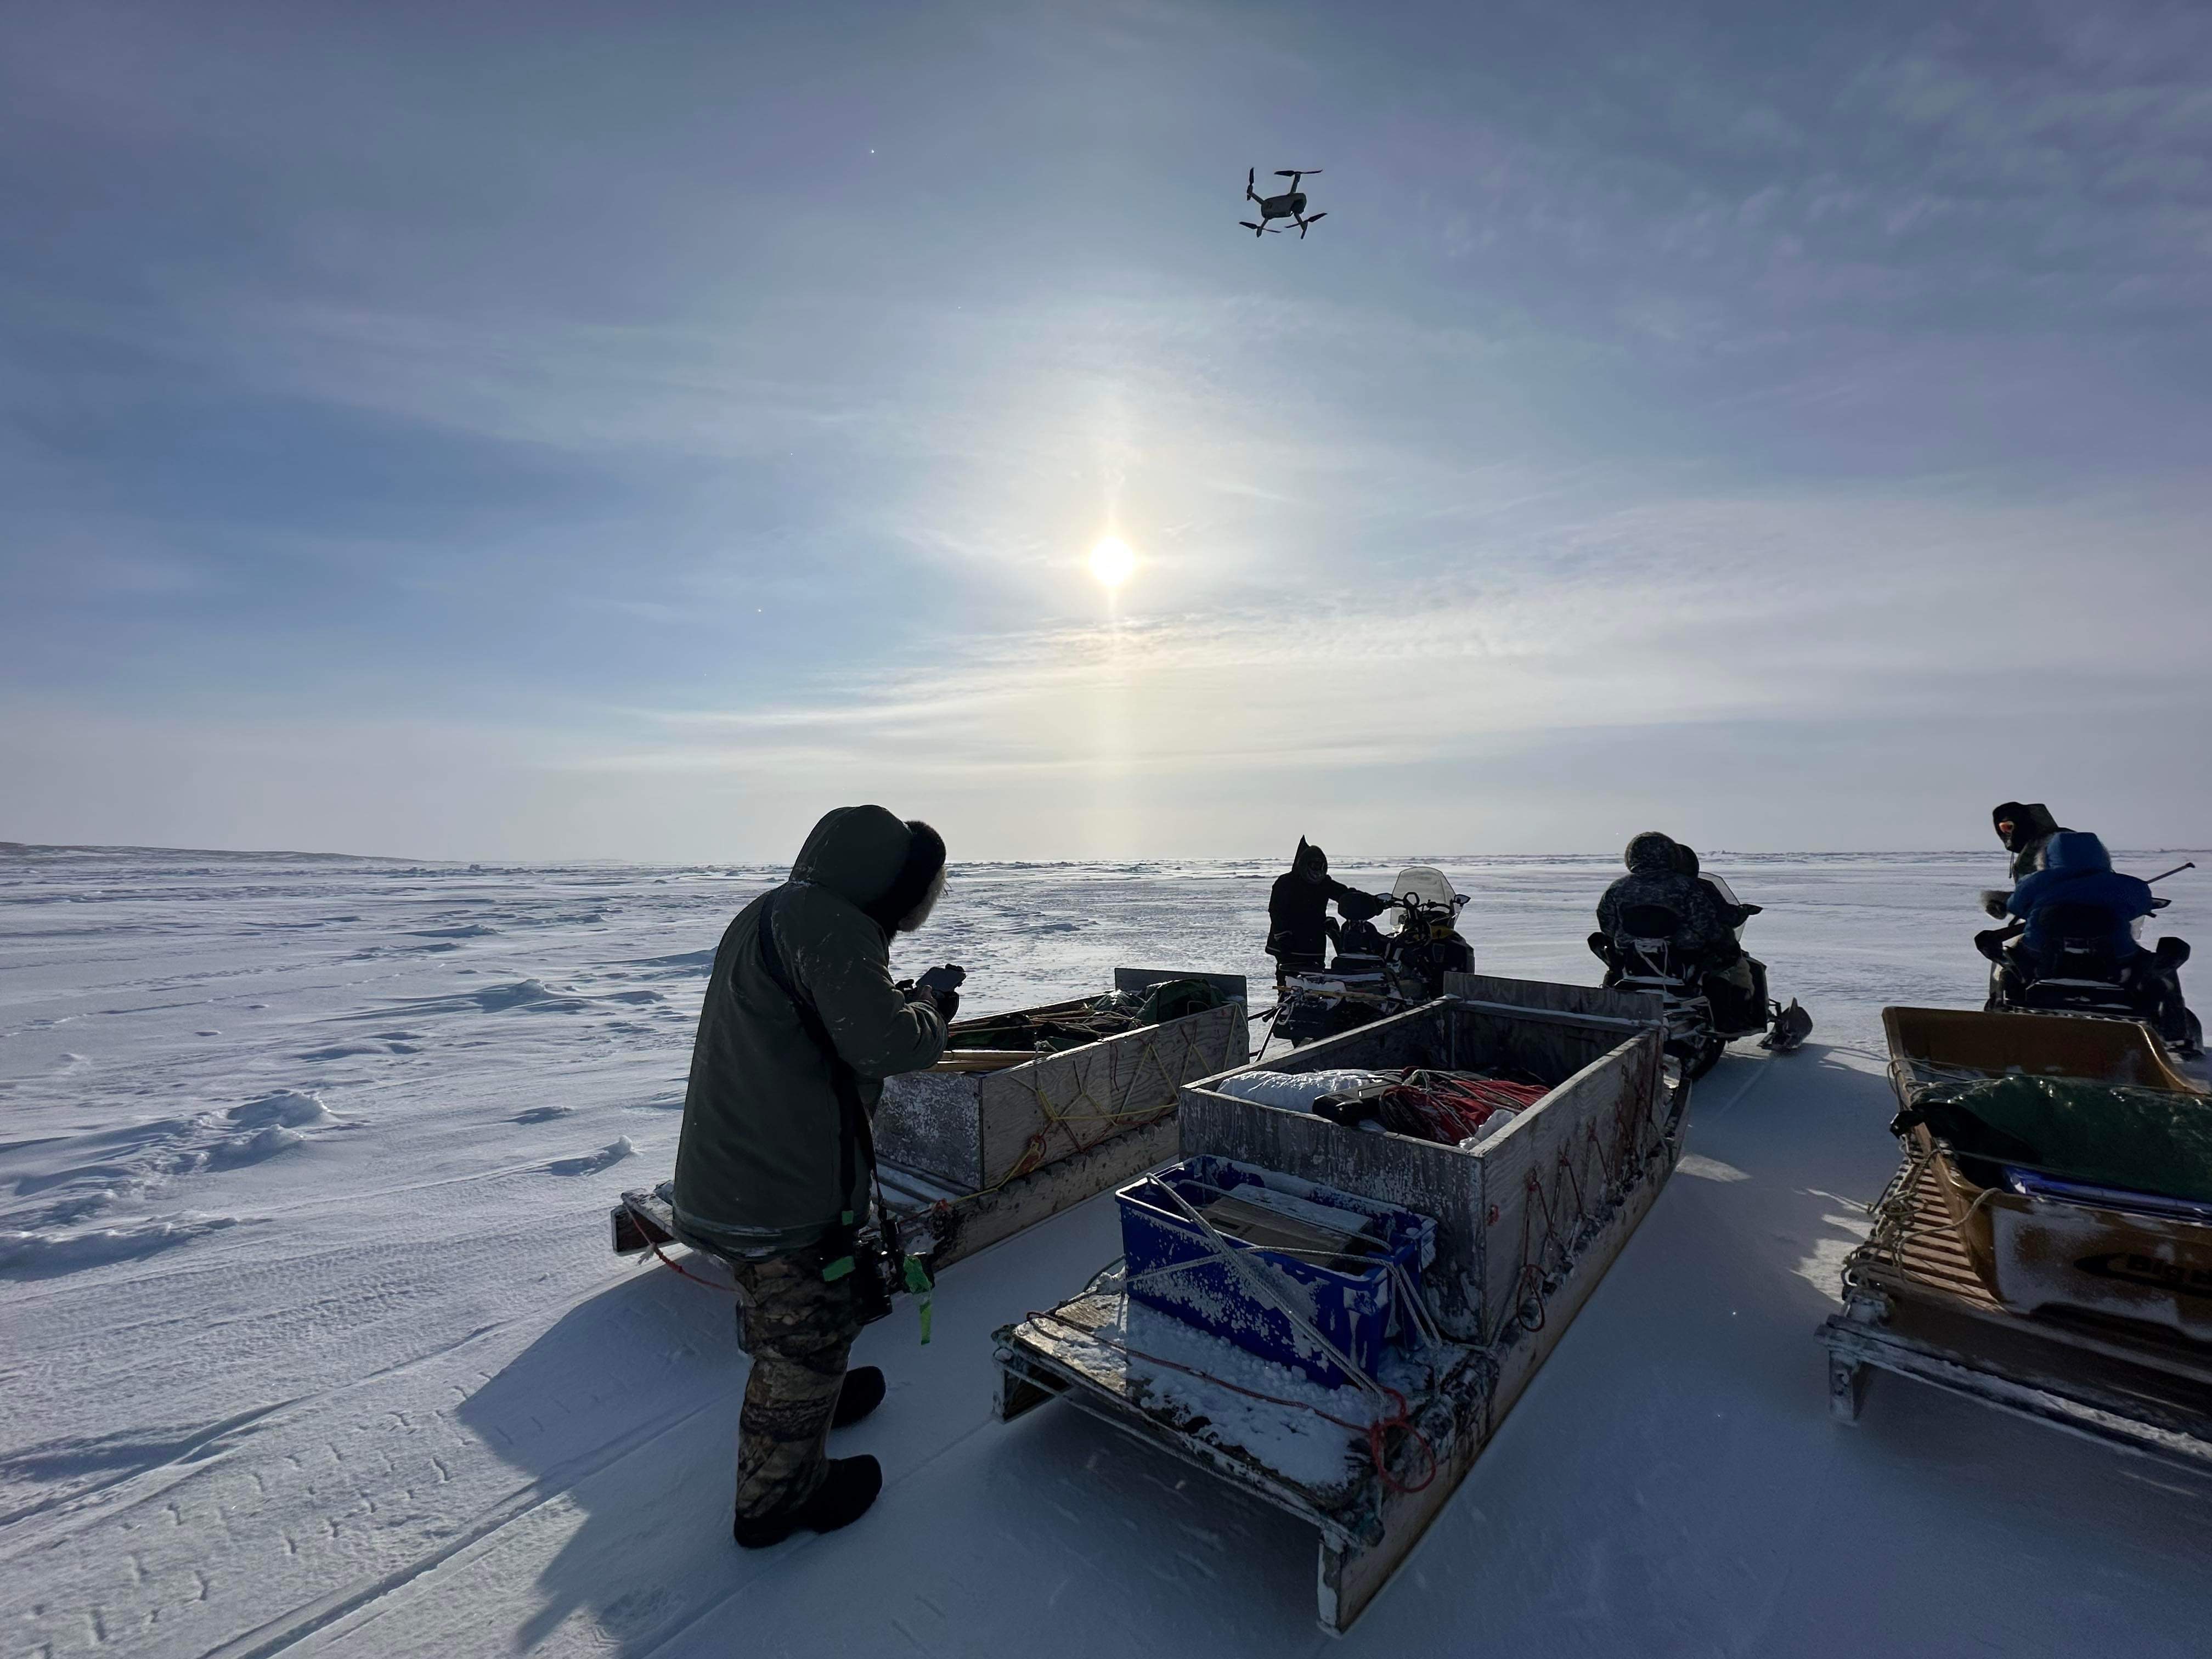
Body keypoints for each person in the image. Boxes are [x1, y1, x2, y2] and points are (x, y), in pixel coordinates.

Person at [673, 805, 961, 1549]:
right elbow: (886, 1046)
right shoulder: (830, 929)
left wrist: (898, 995)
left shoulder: (784, 911)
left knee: (791, 1311)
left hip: (739, 1166)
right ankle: (777, 1498)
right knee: (805, 1334)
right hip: (778, 1185)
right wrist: (930, 1009)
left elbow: (825, 1019)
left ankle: (816, 1398)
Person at [1990, 830, 2196, 1049]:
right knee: (2163, 964)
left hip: (2040, 958)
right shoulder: (2127, 886)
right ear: (2102, 855)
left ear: (2048, 857)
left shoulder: (2035, 882)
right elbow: (2143, 904)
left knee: (2005, 960)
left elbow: (2015, 906)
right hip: (2117, 959)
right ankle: (2175, 1035)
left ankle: (1995, 1017)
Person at [1590, 833, 1763, 1026]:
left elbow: (1607, 922)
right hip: (1682, 954)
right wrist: (1723, 938)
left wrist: (1626, 939)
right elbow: (1704, 921)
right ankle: (1726, 1018)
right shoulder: (1685, 886)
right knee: (1721, 965)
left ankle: (1607, 999)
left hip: (1634, 955)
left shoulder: (1618, 887)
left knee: (1615, 963)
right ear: (1670, 854)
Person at [1265, 839, 1388, 980]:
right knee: (1289, 981)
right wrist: (1283, 935)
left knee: (1315, 980)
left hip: (1313, 943)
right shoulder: (1286, 883)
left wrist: (1372, 902)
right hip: (1288, 945)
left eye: (1321, 866)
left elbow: (1346, 894)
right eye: (1314, 866)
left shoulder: (1324, 884)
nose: (1318, 870)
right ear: (1304, 865)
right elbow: (1277, 912)